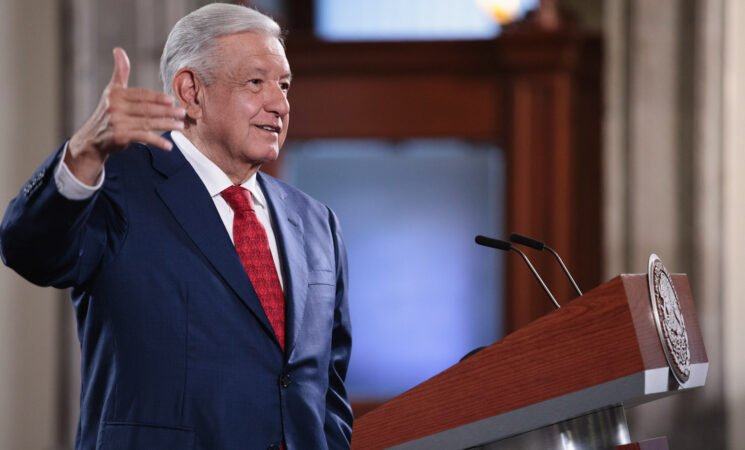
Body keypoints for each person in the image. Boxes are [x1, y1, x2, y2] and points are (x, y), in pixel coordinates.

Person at [0, 3, 352, 449]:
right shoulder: (115, 185)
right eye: (255, 83)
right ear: (192, 92)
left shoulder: (316, 221)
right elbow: (29, 251)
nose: (279, 104)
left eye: (284, 85)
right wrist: (84, 153)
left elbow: (328, 385)